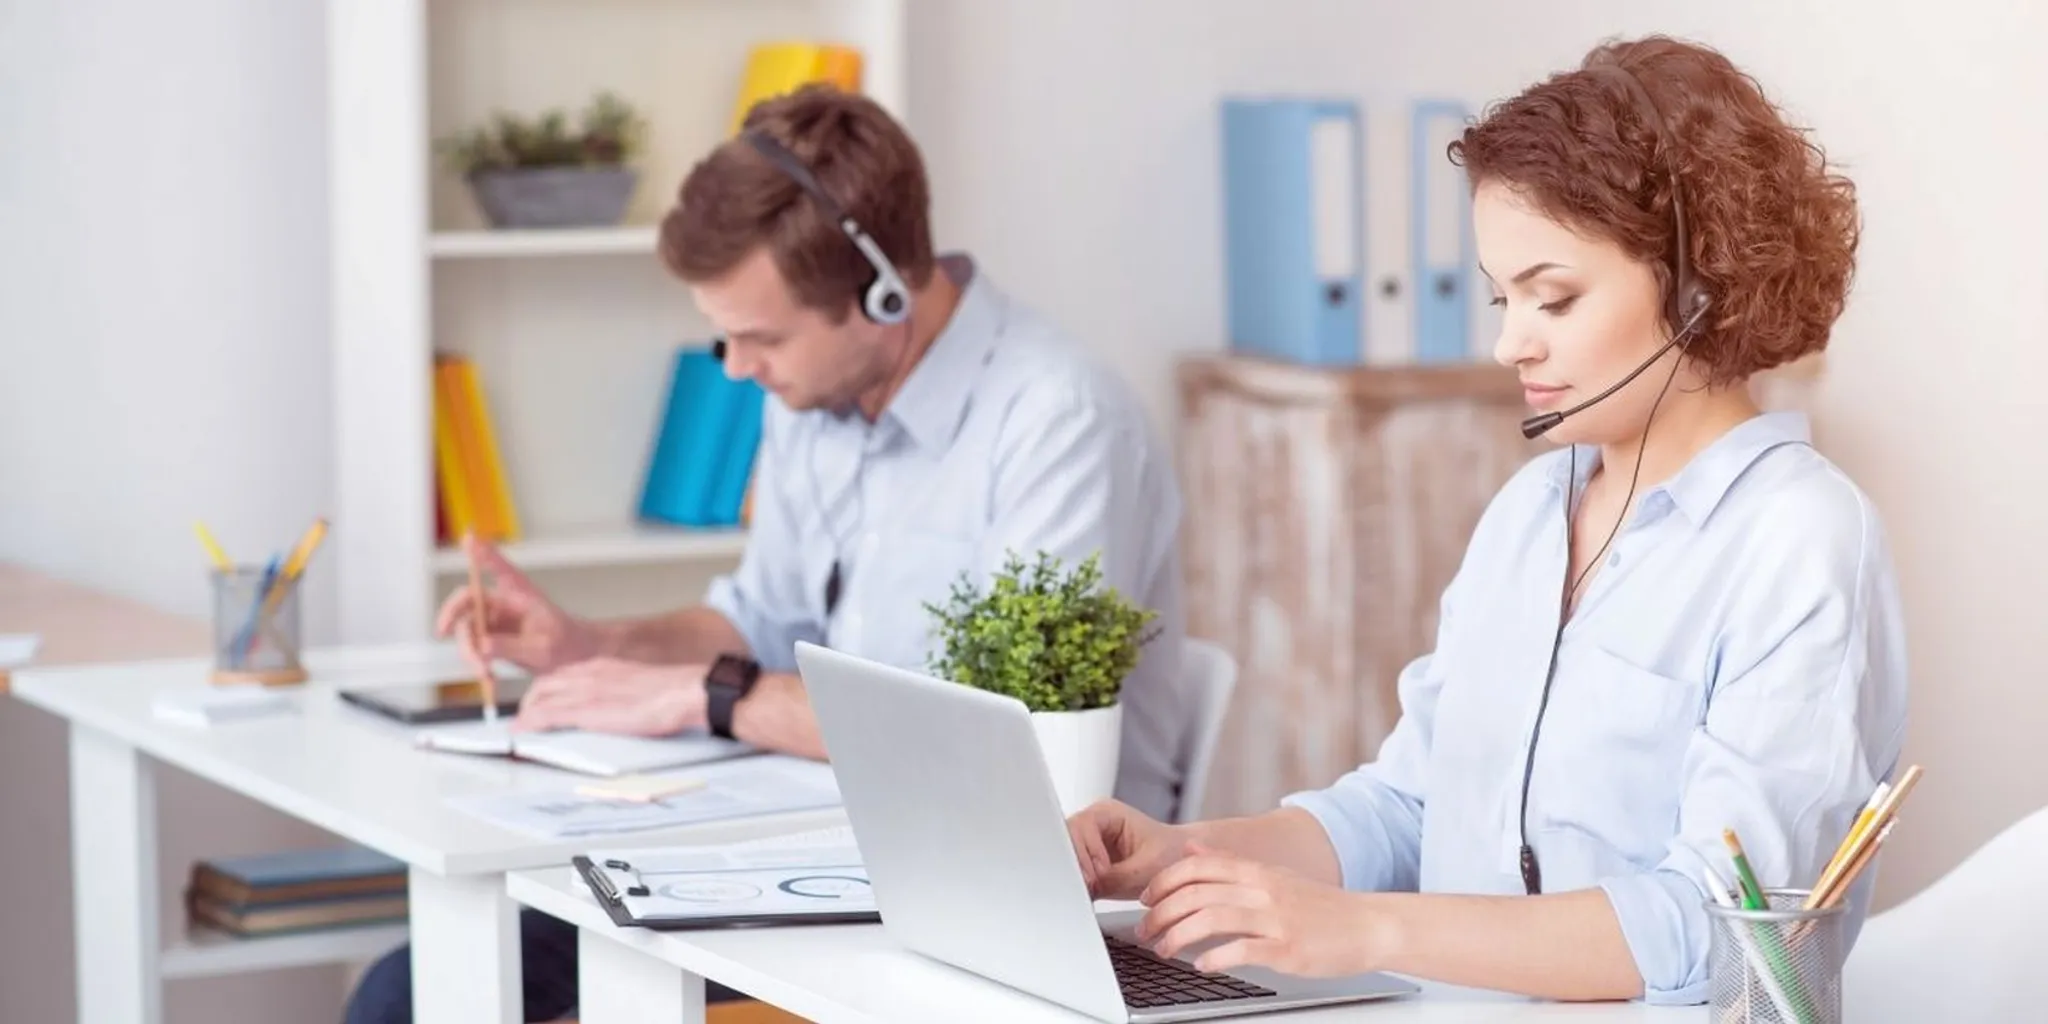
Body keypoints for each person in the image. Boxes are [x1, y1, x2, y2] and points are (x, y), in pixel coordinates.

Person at [1066, 34, 1905, 1005]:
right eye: (1501, 295)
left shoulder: (1798, 541)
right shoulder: (1529, 513)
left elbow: (1713, 927)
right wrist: (1182, 853)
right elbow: (1406, 807)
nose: (1509, 340)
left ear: (1695, 288)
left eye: (1552, 296)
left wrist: (1366, 928)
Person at [344, 84, 1192, 1023]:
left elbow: (1005, 752)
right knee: (408, 990)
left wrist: (720, 697)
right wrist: (595, 645)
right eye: (726, 335)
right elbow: (759, 618)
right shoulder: (815, 400)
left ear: (882, 294)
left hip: (1010, 908)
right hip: (830, 853)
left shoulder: (1057, 423)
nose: (738, 369)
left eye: (761, 337)